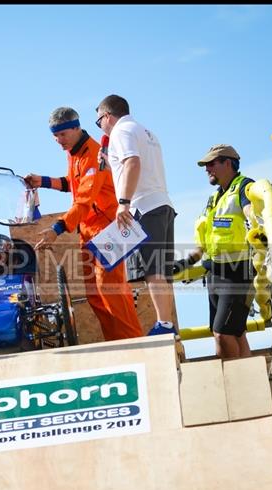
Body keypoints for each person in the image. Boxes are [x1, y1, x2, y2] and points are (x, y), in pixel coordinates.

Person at [25, 107, 142, 341]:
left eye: (62, 135)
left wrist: (57, 229)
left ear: (76, 128)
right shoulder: (74, 152)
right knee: (95, 295)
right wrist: (44, 182)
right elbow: (73, 184)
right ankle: (117, 345)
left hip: (110, 229)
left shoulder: (94, 154)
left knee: (111, 292)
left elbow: (84, 201)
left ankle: (134, 344)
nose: (59, 141)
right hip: (89, 233)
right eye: (55, 136)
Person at [95, 94, 178, 336]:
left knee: (152, 270)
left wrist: (123, 203)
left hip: (141, 207)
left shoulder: (121, 132)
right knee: (160, 271)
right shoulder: (146, 132)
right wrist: (111, 166)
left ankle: (164, 324)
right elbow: (133, 167)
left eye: (98, 121)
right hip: (161, 204)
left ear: (107, 116)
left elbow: (132, 164)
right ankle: (168, 324)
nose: (100, 126)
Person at [173, 145, 256, 358]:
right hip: (215, 275)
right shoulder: (214, 198)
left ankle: (233, 381)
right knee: (235, 332)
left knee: (222, 333)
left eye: (211, 164)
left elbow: (252, 214)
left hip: (238, 273)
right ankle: (247, 380)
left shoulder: (245, 187)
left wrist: (257, 222)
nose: (206, 169)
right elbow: (204, 243)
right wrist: (186, 262)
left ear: (227, 163)